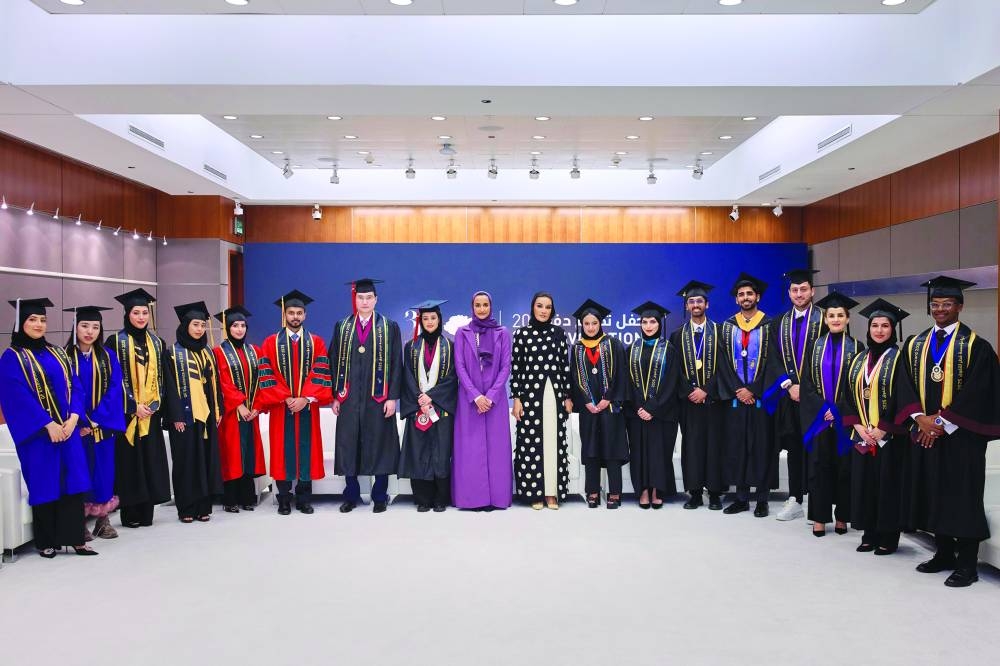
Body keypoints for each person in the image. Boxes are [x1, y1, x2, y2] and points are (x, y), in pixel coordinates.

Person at [904, 276, 1000, 588]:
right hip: (925, 433)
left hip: (963, 439)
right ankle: (944, 553)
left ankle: (967, 564)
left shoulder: (977, 347)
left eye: (947, 304)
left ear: (959, 306)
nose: (941, 309)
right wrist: (920, 418)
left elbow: (980, 392)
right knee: (934, 493)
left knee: (963, 497)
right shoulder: (916, 345)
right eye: (935, 305)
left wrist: (942, 423)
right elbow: (903, 385)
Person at [0, 298, 95, 557]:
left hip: (68, 430)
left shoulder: (57, 352)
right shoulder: (12, 358)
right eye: (32, 319)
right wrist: (47, 424)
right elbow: (17, 397)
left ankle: (76, 538)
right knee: (45, 483)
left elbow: (76, 386)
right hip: (39, 436)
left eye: (42, 320)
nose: (39, 324)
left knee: (74, 481)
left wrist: (75, 417)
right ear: (20, 323)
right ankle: (47, 541)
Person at [842, 299, 917, 555]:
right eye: (875, 325)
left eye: (885, 325)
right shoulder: (858, 359)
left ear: (893, 330)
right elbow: (846, 396)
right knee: (864, 484)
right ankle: (868, 533)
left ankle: (888, 537)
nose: (880, 330)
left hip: (889, 438)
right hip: (863, 436)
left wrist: (884, 427)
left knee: (887, 485)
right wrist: (859, 427)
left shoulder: (900, 359)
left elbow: (905, 396)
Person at [331, 278, 402, 514]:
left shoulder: (389, 327)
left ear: (376, 300)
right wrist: (335, 396)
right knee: (349, 445)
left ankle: (379, 495)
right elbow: (332, 362)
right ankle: (351, 495)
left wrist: (392, 396)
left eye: (369, 297)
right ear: (355, 299)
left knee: (379, 444)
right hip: (349, 398)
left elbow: (396, 365)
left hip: (378, 399)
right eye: (360, 297)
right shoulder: (342, 327)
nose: (364, 301)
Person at [258, 289, 332, 515]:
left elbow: (321, 372)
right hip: (282, 408)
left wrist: (305, 398)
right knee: (282, 451)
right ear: (284, 315)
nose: (295, 317)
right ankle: (283, 499)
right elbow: (266, 374)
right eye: (291, 313)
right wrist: (286, 397)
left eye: (299, 313)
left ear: (305, 315)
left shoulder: (316, 342)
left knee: (306, 451)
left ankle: (304, 499)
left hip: (307, 407)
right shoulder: (270, 343)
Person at [797, 292, 864, 537]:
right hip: (820, 419)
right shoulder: (814, 347)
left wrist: (839, 411)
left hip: (845, 421)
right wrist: (823, 409)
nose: (835, 319)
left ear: (847, 318)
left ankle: (842, 516)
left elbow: (858, 384)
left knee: (845, 468)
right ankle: (818, 517)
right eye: (831, 315)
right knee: (819, 467)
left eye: (840, 315)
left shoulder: (857, 347)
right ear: (825, 319)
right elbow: (806, 384)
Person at [107, 288, 171, 528]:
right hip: (128, 416)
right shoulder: (115, 341)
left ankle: (147, 513)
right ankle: (130, 513)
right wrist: (132, 406)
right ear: (127, 314)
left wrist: (155, 405)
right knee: (130, 463)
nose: (141, 317)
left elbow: (163, 377)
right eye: (136, 312)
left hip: (151, 414)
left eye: (145, 312)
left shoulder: (157, 342)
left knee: (150, 460)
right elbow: (111, 380)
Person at [768, 268, 826, 522]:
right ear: (789, 293)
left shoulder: (826, 319)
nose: (799, 294)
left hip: (817, 398)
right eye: (794, 290)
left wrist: (808, 390)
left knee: (817, 448)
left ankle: (817, 500)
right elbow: (772, 359)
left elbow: (833, 360)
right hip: (789, 397)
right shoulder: (779, 322)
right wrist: (789, 385)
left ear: (812, 291)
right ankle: (795, 499)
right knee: (794, 447)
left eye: (803, 289)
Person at [65, 305, 126, 540]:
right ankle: (78, 522)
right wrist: (80, 420)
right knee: (79, 471)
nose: (89, 331)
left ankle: (102, 520)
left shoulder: (108, 356)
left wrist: (98, 419)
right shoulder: (65, 356)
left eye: (95, 327)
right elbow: (67, 391)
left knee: (103, 471)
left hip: (103, 427)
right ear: (75, 327)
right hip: (77, 428)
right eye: (84, 326)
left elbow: (114, 389)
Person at [718, 273, 776, 517]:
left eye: (749, 294)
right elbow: (722, 363)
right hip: (736, 399)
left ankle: (762, 498)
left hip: (761, 398)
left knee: (762, 446)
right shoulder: (728, 327)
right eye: (741, 294)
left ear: (758, 297)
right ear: (736, 299)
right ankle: (741, 497)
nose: (745, 297)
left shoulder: (770, 325)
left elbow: (775, 362)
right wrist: (738, 390)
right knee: (738, 446)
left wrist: (754, 389)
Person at [510, 292, 572, 510]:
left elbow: (565, 367)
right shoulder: (522, 335)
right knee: (530, 444)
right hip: (529, 397)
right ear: (533, 308)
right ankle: (534, 492)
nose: (543, 310)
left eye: (547, 307)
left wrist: (567, 396)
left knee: (554, 442)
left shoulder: (559, 334)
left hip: (554, 397)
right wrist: (517, 399)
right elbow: (516, 369)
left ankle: (552, 493)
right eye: (539, 306)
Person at [452, 291, 513, 510]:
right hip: (469, 400)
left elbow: (506, 366)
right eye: (477, 305)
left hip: (495, 401)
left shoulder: (502, 332)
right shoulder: (462, 333)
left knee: (497, 449)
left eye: (485, 304)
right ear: (472, 307)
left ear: (491, 306)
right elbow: (459, 366)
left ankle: (497, 498)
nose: (481, 309)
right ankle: (473, 499)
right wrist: (476, 395)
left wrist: (491, 395)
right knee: (470, 449)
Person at [164, 301, 223, 523]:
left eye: (202, 325)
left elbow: (215, 383)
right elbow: (169, 388)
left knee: (205, 461)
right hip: (185, 418)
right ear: (185, 325)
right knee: (186, 462)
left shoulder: (207, 351)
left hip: (206, 416)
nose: (199, 329)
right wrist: (176, 416)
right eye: (195, 324)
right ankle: (186, 508)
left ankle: (203, 506)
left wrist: (218, 410)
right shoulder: (172, 353)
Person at [671, 281, 727, 510]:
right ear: (686, 306)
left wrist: (706, 390)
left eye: (699, 301)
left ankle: (714, 493)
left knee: (715, 446)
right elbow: (675, 371)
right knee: (691, 447)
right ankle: (694, 493)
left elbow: (725, 367)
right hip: (689, 403)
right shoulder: (677, 336)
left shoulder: (720, 331)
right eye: (691, 301)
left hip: (713, 401)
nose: (695, 305)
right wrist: (690, 392)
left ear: (707, 304)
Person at [399, 300, 457, 512]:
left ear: (439, 319)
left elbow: (452, 378)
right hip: (418, 409)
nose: (430, 322)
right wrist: (419, 399)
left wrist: (431, 397)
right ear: (420, 321)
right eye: (426, 318)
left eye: (433, 318)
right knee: (420, 452)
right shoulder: (411, 347)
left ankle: (441, 498)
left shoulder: (450, 346)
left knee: (441, 453)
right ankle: (423, 498)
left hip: (441, 408)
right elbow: (406, 377)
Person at [570, 299, 628, 509]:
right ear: (582, 325)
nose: (591, 327)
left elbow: (621, 375)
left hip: (610, 408)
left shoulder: (613, 344)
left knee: (612, 451)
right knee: (591, 451)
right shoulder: (577, 348)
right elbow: (574, 378)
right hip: (589, 410)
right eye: (587, 324)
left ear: (600, 324)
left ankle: (614, 492)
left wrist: (607, 399)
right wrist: (586, 401)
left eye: (594, 323)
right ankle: (592, 491)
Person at [625, 301, 680, 509]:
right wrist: (640, 406)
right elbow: (628, 382)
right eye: (645, 322)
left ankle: (657, 489)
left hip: (662, 413)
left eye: (653, 322)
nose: (649, 326)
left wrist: (653, 408)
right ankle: (643, 490)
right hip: (637, 412)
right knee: (639, 452)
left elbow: (671, 382)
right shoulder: (631, 349)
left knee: (659, 452)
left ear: (659, 323)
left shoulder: (669, 349)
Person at [213, 306, 266, 513]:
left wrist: (257, 406)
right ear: (227, 328)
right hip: (231, 415)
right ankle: (230, 499)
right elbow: (222, 383)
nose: (239, 329)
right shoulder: (219, 352)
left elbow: (263, 380)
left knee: (248, 454)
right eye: (235, 325)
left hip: (251, 414)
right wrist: (240, 405)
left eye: (243, 325)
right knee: (232, 454)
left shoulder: (255, 351)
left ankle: (247, 497)